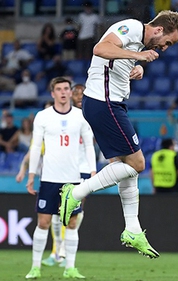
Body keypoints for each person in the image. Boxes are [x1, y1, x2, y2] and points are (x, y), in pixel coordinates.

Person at [58, 10, 178, 259]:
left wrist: (134, 68)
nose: (164, 48)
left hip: (110, 103)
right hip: (104, 103)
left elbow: (114, 58)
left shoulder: (136, 40)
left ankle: (133, 229)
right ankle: (74, 193)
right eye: (167, 42)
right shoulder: (131, 27)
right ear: (159, 30)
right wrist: (136, 55)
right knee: (138, 163)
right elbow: (100, 48)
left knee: (124, 168)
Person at [25, 77, 96, 279]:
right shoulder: (43, 116)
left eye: (66, 88)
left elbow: (89, 145)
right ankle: (35, 267)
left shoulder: (81, 116)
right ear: (52, 93)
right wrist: (31, 175)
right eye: (59, 89)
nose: (64, 92)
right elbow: (36, 147)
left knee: (72, 224)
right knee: (44, 223)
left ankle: (70, 268)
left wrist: (92, 171)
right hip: (48, 178)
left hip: (72, 180)